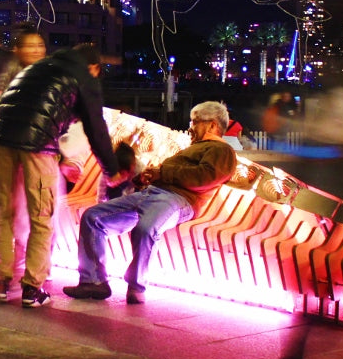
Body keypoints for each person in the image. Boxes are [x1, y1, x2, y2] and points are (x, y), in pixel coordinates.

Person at [0, 43, 123, 308]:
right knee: (42, 216)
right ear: (94, 67)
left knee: (5, 211)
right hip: (37, 145)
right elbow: (97, 128)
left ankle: (2, 281)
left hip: (0, 138)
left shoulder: (39, 67)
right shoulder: (84, 77)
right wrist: (112, 170)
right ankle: (32, 288)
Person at [64, 101, 236, 305]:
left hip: (178, 200)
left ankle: (136, 286)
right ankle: (93, 281)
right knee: (93, 217)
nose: (191, 126)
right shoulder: (194, 148)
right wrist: (148, 177)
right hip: (152, 193)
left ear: (212, 125)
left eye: (196, 121)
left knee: (146, 229)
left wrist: (162, 173)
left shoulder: (221, 150)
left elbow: (205, 176)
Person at [0, 26, 47, 92]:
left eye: (40, 45)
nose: (37, 50)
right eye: (30, 46)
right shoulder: (7, 75)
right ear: (17, 50)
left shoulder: (50, 74)